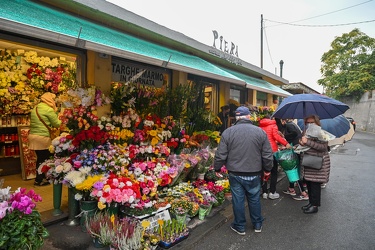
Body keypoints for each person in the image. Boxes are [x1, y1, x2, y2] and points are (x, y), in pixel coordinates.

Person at [214, 106, 273, 235]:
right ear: (248, 117)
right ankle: (257, 224)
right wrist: (268, 169)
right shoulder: (260, 132)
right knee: (254, 198)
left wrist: (217, 167)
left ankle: (240, 226)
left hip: (235, 173)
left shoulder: (228, 132)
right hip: (254, 172)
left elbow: (221, 154)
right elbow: (267, 154)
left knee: (238, 199)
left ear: (236, 118)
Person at [299, 114, 331, 214]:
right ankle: (311, 202)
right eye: (307, 122)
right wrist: (301, 142)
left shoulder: (321, 133)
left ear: (317, 122)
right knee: (309, 184)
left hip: (317, 164)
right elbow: (305, 144)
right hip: (309, 162)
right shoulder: (306, 132)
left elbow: (323, 148)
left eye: (312, 122)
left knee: (315, 185)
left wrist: (307, 142)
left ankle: (315, 206)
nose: (309, 124)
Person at [29, 92, 61, 186]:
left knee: (40, 158)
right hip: (42, 137)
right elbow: (57, 123)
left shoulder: (36, 108)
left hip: (33, 136)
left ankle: (41, 178)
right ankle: (39, 179)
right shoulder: (48, 109)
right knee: (43, 159)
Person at [259, 115, 292, 200]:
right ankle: (272, 192)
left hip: (262, 152)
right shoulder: (273, 125)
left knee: (264, 172)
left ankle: (264, 192)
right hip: (272, 151)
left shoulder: (259, 127)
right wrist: (286, 143)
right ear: (271, 119)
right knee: (274, 172)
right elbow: (276, 136)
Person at [277, 119, 309, 201]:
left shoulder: (289, 125)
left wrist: (284, 138)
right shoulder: (292, 124)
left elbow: (294, 134)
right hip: (296, 149)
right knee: (292, 170)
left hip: (295, 150)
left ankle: (303, 193)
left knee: (294, 171)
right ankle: (291, 188)